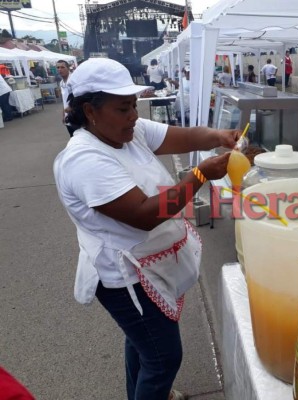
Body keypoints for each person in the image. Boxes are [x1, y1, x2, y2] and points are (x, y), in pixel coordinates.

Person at [53, 58, 239, 400]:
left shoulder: (128, 133)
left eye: (134, 105)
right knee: (163, 356)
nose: (134, 115)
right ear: (90, 110)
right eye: (123, 108)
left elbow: (182, 137)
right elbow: (144, 214)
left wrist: (220, 135)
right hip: (124, 275)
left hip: (147, 260)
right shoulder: (85, 160)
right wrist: (199, 176)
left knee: (144, 341)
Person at [57, 59, 77, 137]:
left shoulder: (73, 80)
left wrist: (71, 107)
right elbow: (64, 100)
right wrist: (63, 115)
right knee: (72, 136)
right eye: (58, 67)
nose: (60, 69)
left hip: (76, 115)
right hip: (68, 116)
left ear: (68, 68)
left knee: (79, 137)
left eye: (62, 67)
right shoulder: (61, 83)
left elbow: (79, 97)